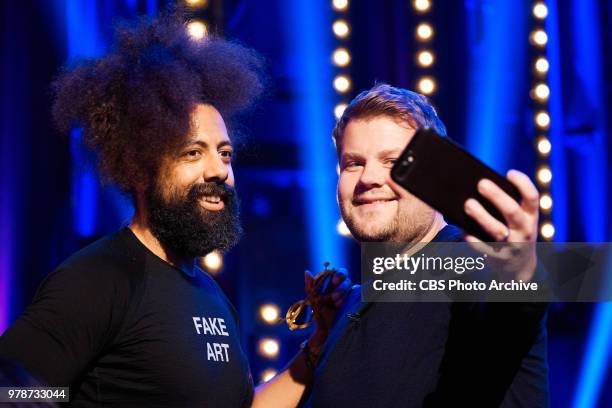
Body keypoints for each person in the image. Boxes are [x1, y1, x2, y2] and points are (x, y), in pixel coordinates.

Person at [0, 12, 349, 408]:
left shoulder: (211, 294)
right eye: (192, 152)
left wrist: (318, 343)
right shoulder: (98, 280)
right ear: (141, 168)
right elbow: (14, 391)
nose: (219, 170)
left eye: (225, 153)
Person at [304, 83, 549, 407]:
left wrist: (520, 272)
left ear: (435, 179)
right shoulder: (352, 303)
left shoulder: (469, 264)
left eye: (393, 162)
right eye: (354, 163)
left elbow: (512, 311)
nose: (368, 178)